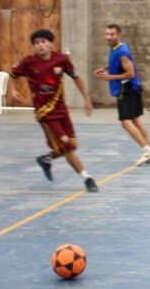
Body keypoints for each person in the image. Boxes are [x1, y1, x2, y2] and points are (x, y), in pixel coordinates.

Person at [9, 29, 97, 192]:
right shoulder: (29, 62)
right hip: (45, 113)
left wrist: (86, 99)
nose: (40, 45)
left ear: (51, 44)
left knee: (71, 145)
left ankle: (46, 159)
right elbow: (13, 75)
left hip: (61, 110)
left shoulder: (62, 60)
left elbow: (76, 78)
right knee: (66, 144)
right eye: (37, 43)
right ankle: (87, 179)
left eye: (43, 42)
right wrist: (13, 90)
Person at [93, 24, 150, 166]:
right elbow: (117, 64)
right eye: (107, 34)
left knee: (125, 121)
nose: (109, 37)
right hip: (132, 88)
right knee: (136, 119)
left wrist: (110, 77)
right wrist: (104, 69)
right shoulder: (116, 47)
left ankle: (147, 150)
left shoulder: (122, 52)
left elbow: (130, 73)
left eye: (112, 34)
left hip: (127, 89)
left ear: (119, 35)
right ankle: (149, 148)